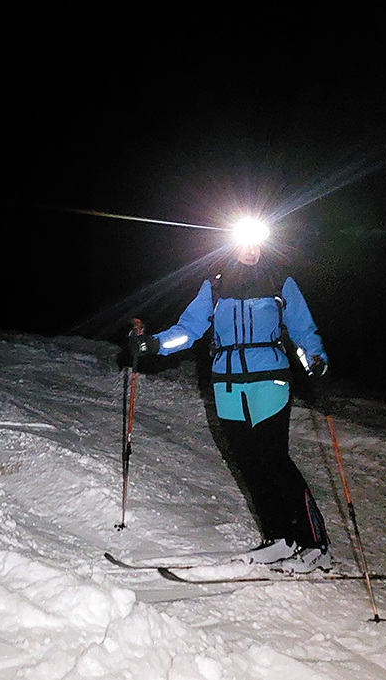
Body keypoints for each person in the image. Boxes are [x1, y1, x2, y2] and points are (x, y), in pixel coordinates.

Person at [131, 229, 332, 573]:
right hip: (226, 385)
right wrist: (155, 344)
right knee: (249, 463)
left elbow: (303, 329)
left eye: (257, 243)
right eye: (244, 242)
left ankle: (315, 544)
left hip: (269, 380)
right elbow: (189, 329)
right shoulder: (215, 286)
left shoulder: (279, 282)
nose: (251, 250)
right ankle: (279, 539)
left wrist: (315, 358)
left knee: (274, 459)